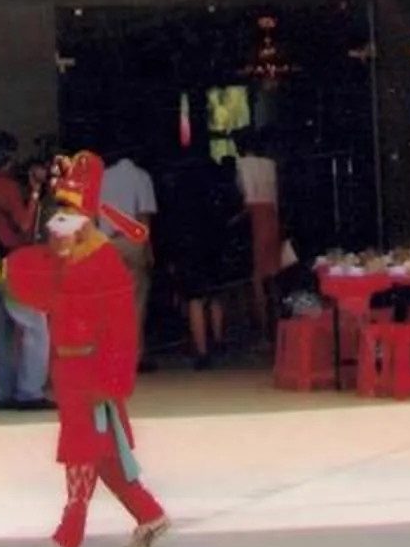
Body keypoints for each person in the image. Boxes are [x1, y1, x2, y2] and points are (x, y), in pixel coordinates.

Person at [2, 150, 170, 547]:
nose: (57, 230)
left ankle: (67, 537)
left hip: (94, 373)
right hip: (71, 371)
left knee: (81, 452)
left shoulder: (105, 261)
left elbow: (121, 328)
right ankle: (150, 515)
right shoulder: (63, 261)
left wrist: (112, 379)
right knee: (105, 455)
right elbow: (30, 280)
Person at [0, 130, 49, 410]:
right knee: (36, 327)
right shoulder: (3, 187)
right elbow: (24, 225)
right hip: (15, 260)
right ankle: (29, 392)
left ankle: (5, 391)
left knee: (3, 331)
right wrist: (33, 192)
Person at [168, 150, 245, 368]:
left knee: (194, 299)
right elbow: (233, 213)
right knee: (215, 295)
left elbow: (171, 225)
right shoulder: (217, 190)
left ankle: (201, 351)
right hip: (214, 245)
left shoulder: (179, 195)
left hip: (189, 248)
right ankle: (218, 341)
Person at [98, 152, 159, 366]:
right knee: (135, 302)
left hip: (105, 242)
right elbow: (144, 217)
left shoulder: (101, 177)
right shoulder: (141, 177)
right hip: (131, 243)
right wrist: (148, 249)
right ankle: (133, 357)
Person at [235, 130, 282, 340]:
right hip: (271, 216)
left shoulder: (242, 165)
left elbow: (245, 194)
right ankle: (276, 318)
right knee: (272, 271)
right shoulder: (270, 164)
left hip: (253, 217)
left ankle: (262, 324)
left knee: (255, 274)